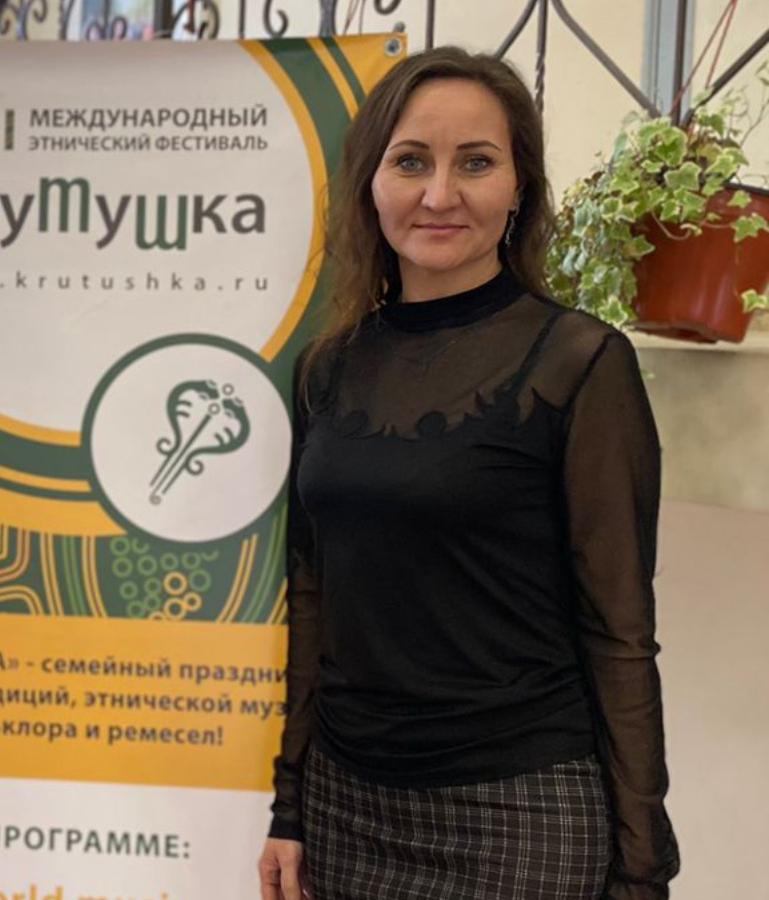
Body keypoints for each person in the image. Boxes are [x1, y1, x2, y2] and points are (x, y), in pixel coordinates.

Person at [257, 47, 679, 900]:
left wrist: (641, 870)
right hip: (345, 806)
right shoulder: (325, 370)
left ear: (519, 187)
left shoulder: (580, 363)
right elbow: (313, 597)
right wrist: (290, 807)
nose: (440, 194)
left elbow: (620, 632)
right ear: (371, 184)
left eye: (476, 163)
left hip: (521, 810)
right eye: (411, 161)